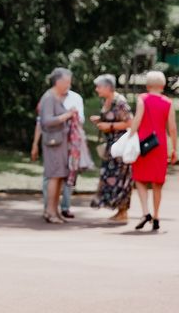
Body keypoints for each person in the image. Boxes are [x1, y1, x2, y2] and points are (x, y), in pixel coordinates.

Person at [31, 72, 85, 219]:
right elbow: (46, 121)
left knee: (60, 177)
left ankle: (55, 210)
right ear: (58, 82)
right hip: (53, 143)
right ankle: (50, 211)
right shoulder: (48, 98)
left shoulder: (57, 97)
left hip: (61, 143)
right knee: (54, 177)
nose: (69, 85)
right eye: (67, 82)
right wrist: (67, 115)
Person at [129, 70, 177, 231]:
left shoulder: (142, 99)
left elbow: (137, 119)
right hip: (160, 145)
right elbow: (172, 128)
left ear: (148, 85)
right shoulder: (168, 102)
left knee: (140, 178)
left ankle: (145, 212)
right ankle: (156, 216)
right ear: (163, 85)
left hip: (144, 144)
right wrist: (174, 149)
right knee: (158, 183)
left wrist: (129, 137)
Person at [89, 74, 134, 222]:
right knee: (110, 177)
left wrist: (110, 126)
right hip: (111, 147)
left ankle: (123, 211)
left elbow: (130, 123)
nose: (97, 89)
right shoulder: (107, 101)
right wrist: (100, 120)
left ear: (108, 87)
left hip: (120, 147)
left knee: (121, 178)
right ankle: (118, 210)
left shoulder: (119, 102)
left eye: (99, 86)